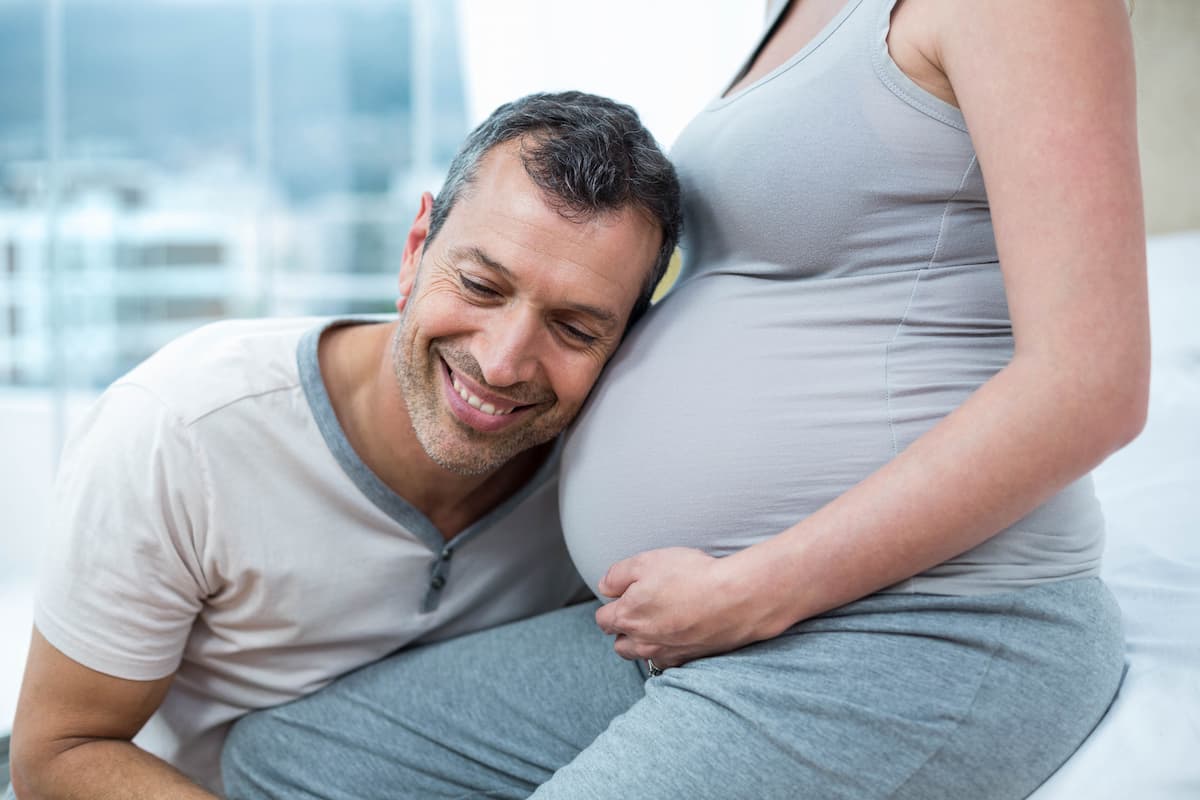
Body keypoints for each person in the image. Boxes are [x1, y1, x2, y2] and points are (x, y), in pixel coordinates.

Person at [221, 0, 1148, 797]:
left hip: (922, 626)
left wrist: (755, 590)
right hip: (704, 626)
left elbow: (1092, 384)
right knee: (292, 765)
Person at [4, 91, 681, 799]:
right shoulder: (179, 433)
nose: (505, 361)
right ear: (415, 250)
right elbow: (57, 754)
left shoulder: (606, 476)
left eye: (575, 330)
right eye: (482, 285)